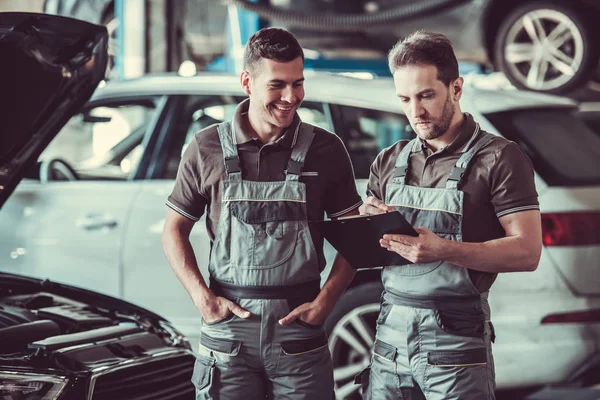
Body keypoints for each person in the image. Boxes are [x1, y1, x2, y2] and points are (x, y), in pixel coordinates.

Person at [162, 27, 362, 399]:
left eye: (298, 83)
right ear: (247, 82)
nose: (291, 97)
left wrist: (327, 301)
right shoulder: (206, 148)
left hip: (298, 329)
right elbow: (174, 229)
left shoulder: (326, 149)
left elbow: (356, 234)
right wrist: (201, 298)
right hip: (228, 332)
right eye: (277, 85)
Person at [356, 31, 542, 400]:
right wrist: (365, 223)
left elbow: (527, 251)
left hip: (456, 343)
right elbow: (370, 249)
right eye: (405, 99)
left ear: (456, 88)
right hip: (389, 337)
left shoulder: (500, 158)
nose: (415, 111)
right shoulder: (389, 160)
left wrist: (444, 250)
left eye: (426, 95)